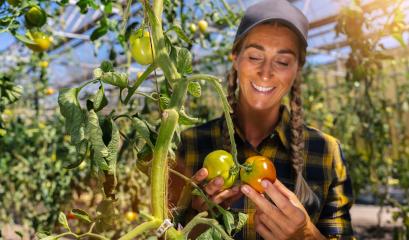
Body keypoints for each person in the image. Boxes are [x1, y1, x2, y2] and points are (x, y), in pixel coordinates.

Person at [170, 0, 355, 239]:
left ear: (297, 69)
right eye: (255, 56)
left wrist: (307, 235)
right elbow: (164, 228)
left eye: (283, 61)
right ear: (235, 58)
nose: (266, 72)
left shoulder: (326, 152)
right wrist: (200, 219)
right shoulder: (190, 144)